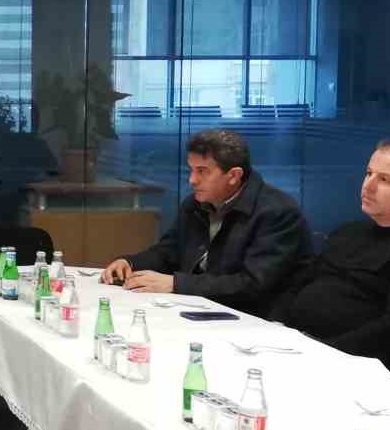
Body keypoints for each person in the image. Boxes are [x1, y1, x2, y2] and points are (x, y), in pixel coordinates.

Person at [272, 137, 390, 386]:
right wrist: (275, 326)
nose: (368, 186)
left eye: (385, 180)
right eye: (369, 173)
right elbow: (299, 284)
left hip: (353, 368)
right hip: (293, 348)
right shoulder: (349, 232)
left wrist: (320, 352)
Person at [101, 128, 310, 316]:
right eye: (191, 170)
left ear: (234, 175)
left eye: (202, 171)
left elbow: (252, 285)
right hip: (201, 308)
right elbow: (169, 251)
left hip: (257, 320)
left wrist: (176, 284)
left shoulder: (277, 212)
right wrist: (130, 263)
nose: (192, 180)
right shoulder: (195, 204)